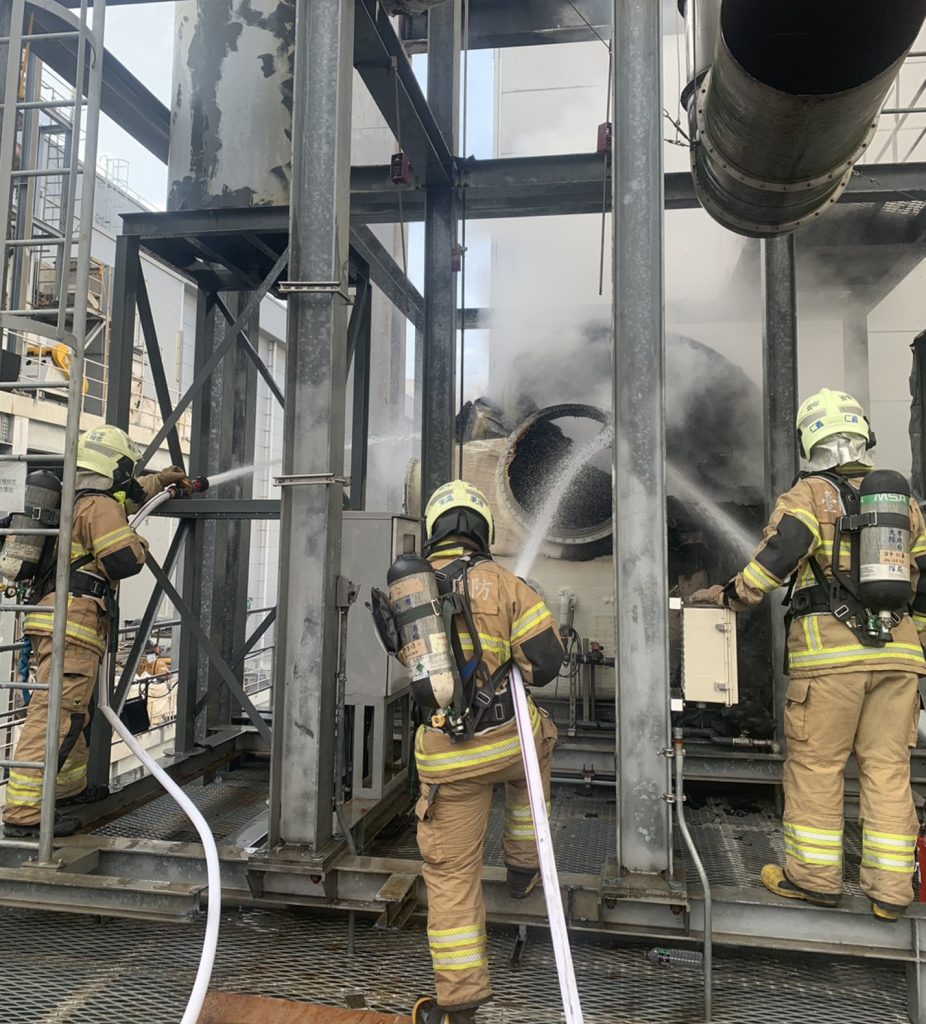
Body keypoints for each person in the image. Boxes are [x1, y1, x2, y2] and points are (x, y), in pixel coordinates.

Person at [691, 388, 926, 921]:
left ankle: (814, 879)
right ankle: (891, 893)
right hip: (900, 659)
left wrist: (732, 596)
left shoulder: (810, 495)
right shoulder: (904, 505)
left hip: (829, 662)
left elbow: (779, 557)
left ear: (809, 441)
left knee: (817, 766)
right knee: (889, 769)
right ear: (864, 434)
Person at [411, 480, 563, 1024]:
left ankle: (460, 1003)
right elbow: (545, 665)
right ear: (483, 529)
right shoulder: (506, 584)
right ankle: (523, 867)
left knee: (452, 875)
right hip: (506, 743)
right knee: (541, 741)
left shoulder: (410, 589)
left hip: (446, 759)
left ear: (434, 529)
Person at [2, 425, 191, 838]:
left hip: (55, 617)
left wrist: (162, 480)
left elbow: (131, 494)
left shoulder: (77, 496)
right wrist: (139, 541)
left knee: (73, 712)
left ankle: (66, 789)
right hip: (75, 624)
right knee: (56, 714)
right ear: (116, 467)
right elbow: (124, 561)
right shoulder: (100, 506)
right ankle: (23, 812)